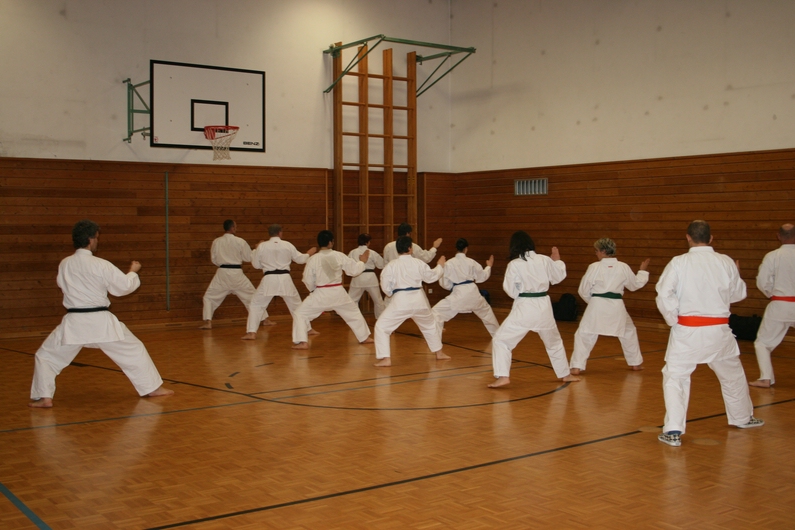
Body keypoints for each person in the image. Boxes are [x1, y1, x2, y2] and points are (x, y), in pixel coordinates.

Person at [29, 220, 173, 408]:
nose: (97, 241)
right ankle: (151, 388)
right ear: (90, 240)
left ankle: (44, 396)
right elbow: (122, 287)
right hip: (101, 321)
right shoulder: (101, 264)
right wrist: (132, 272)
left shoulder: (65, 264)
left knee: (46, 356)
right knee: (134, 350)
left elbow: (61, 284)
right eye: (96, 237)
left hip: (74, 322)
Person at [655, 220, 764, 447]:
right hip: (719, 331)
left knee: (676, 378)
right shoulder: (725, 262)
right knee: (732, 376)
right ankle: (742, 417)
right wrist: (737, 275)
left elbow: (664, 294)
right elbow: (738, 295)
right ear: (711, 238)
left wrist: (673, 319)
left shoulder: (679, 262)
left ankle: (673, 430)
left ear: (688, 237)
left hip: (688, 331)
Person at [489, 231, 579, 388]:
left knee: (501, 340)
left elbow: (510, 290)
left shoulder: (515, 264)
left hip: (525, 307)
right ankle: (565, 374)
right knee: (554, 342)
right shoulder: (544, 259)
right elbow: (558, 277)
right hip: (544, 306)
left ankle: (503, 376)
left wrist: (520, 293)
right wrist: (557, 261)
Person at [569, 238, 650, 374]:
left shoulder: (594, 267)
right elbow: (634, 285)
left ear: (603, 251)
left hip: (597, 304)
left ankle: (576, 366)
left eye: (597, 251)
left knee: (585, 333)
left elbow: (583, 290)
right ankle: (635, 363)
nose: (596, 253)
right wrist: (642, 272)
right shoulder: (623, 266)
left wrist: (594, 303)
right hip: (617, 306)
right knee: (628, 331)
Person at [292, 230, 374, 349]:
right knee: (353, 313)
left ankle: (302, 342)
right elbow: (353, 271)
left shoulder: (313, 259)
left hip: (321, 293)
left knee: (300, 313)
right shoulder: (338, 255)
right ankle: (365, 337)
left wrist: (313, 290)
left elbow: (307, 279)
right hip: (338, 292)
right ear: (331, 242)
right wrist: (362, 262)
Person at [374, 236, 448, 366]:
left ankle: (385, 358)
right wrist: (440, 266)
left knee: (382, 327)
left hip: (401, 301)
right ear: (410, 248)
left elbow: (385, 285)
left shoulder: (391, 265)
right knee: (430, 325)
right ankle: (439, 353)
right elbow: (431, 277)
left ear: (397, 249)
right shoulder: (418, 263)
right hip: (419, 300)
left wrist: (391, 293)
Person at [242, 224, 317, 340]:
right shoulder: (287, 245)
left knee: (256, 305)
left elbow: (256, 265)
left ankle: (251, 332)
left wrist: (261, 257)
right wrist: (309, 253)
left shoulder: (262, 246)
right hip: (285, 279)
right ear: (280, 233)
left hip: (269, 279)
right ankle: (308, 329)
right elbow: (301, 259)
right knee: (296, 305)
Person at [750, 223, 795, 388]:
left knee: (762, 343)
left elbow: (762, 281)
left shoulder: (773, 256)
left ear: (778, 236)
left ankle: (766, 378)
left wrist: (773, 294)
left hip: (780, 304)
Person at [431, 238, 500, 338]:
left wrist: (452, 287)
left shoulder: (449, 263)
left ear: (456, 248)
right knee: (487, 314)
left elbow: (444, 282)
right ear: (466, 249)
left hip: (459, 294)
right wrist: (488, 266)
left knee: (436, 312)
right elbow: (482, 276)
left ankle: (435, 336)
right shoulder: (471, 262)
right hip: (473, 292)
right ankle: (499, 336)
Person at [199, 220, 257, 330]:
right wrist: (256, 249)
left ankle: (208, 322)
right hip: (237, 274)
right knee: (252, 295)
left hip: (222, 274)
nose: (236, 228)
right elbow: (248, 257)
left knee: (209, 297)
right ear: (232, 228)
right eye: (236, 226)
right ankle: (264, 319)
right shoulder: (240, 241)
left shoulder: (217, 241)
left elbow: (214, 259)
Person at [348, 233, 386, 318]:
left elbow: (349, 266)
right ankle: (381, 319)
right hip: (370, 278)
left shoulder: (352, 252)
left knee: (352, 300)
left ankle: (354, 318)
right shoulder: (372, 253)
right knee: (378, 301)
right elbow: (381, 265)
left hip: (357, 277)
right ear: (367, 242)